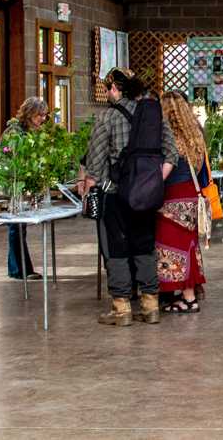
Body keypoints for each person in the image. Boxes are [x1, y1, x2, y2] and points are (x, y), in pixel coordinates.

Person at [82, 68, 178, 327]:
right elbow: (172, 154)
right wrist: (153, 182)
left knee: (117, 249)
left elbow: (95, 162)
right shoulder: (154, 116)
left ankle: (122, 308)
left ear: (115, 88)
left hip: (115, 194)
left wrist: (97, 185)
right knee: (145, 246)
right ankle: (150, 306)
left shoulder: (108, 118)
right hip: (147, 196)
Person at [156, 92, 209, 313]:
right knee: (190, 246)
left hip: (172, 197)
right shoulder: (195, 134)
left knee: (170, 248)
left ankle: (187, 297)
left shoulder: (166, 135)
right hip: (192, 195)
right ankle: (189, 294)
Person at [2, 97, 49, 281]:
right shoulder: (14, 132)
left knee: (20, 228)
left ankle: (20, 267)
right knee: (16, 226)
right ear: (30, 114)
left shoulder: (31, 131)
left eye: (44, 115)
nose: (42, 119)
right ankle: (19, 269)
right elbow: (10, 157)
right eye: (40, 115)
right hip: (14, 184)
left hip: (25, 183)